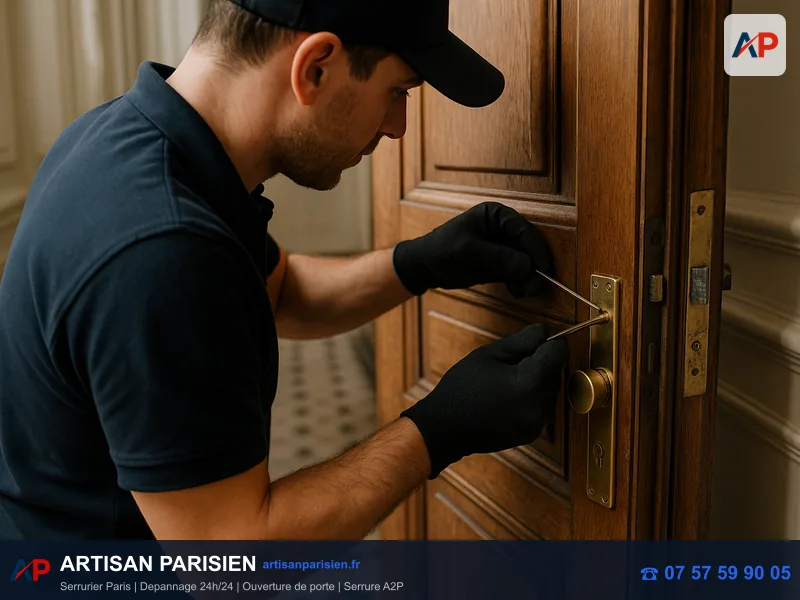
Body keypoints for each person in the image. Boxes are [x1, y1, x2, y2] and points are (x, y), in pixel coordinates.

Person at [0, 0, 569, 540]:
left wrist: (421, 262)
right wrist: (443, 427)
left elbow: (281, 293)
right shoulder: (161, 247)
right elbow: (230, 560)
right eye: (396, 91)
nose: (398, 126)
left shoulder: (134, 140)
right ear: (315, 68)